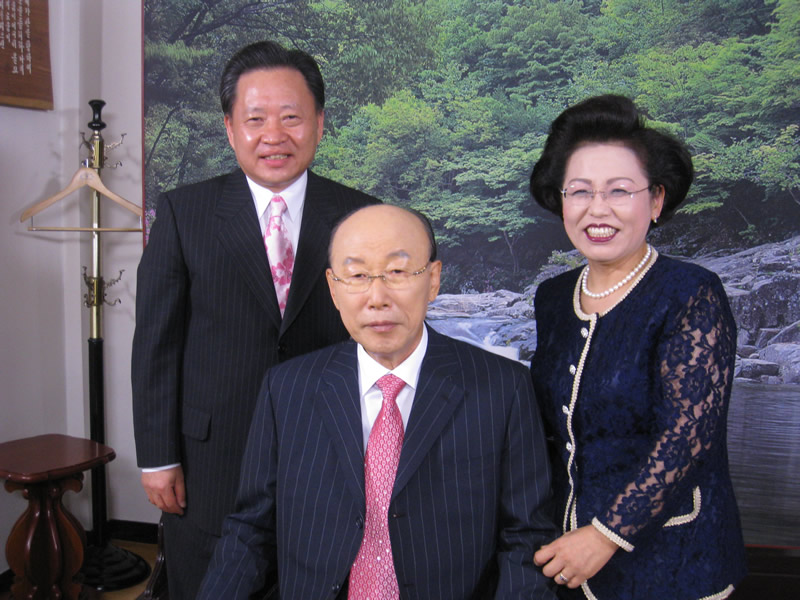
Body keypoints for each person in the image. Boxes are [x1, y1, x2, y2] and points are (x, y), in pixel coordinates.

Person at [197, 204, 558, 599]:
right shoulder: (287, 388)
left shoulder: (503, 387)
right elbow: (251, 530)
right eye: (357, 276)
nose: (377, 297)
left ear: (433, 279)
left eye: (398, 272)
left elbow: (525, 537)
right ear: (333, 288)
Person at [131, 40, 379, 599]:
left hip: (329, 450)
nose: (274, 135)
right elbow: (156, 344)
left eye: (291, 117)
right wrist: (158, 457)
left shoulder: (360, 215)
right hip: (211, 458)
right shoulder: (184, 212)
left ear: (319, 123)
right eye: (256, 119)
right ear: (229, 128)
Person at [528, 94, 747, 599]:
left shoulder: (690, 292)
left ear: (656, 200)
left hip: (673, 566)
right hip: (566, 561)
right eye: (580, 191)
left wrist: (604, 535)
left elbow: (687, 439)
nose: (597, 209)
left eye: (619, 191)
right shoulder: (553, 297)